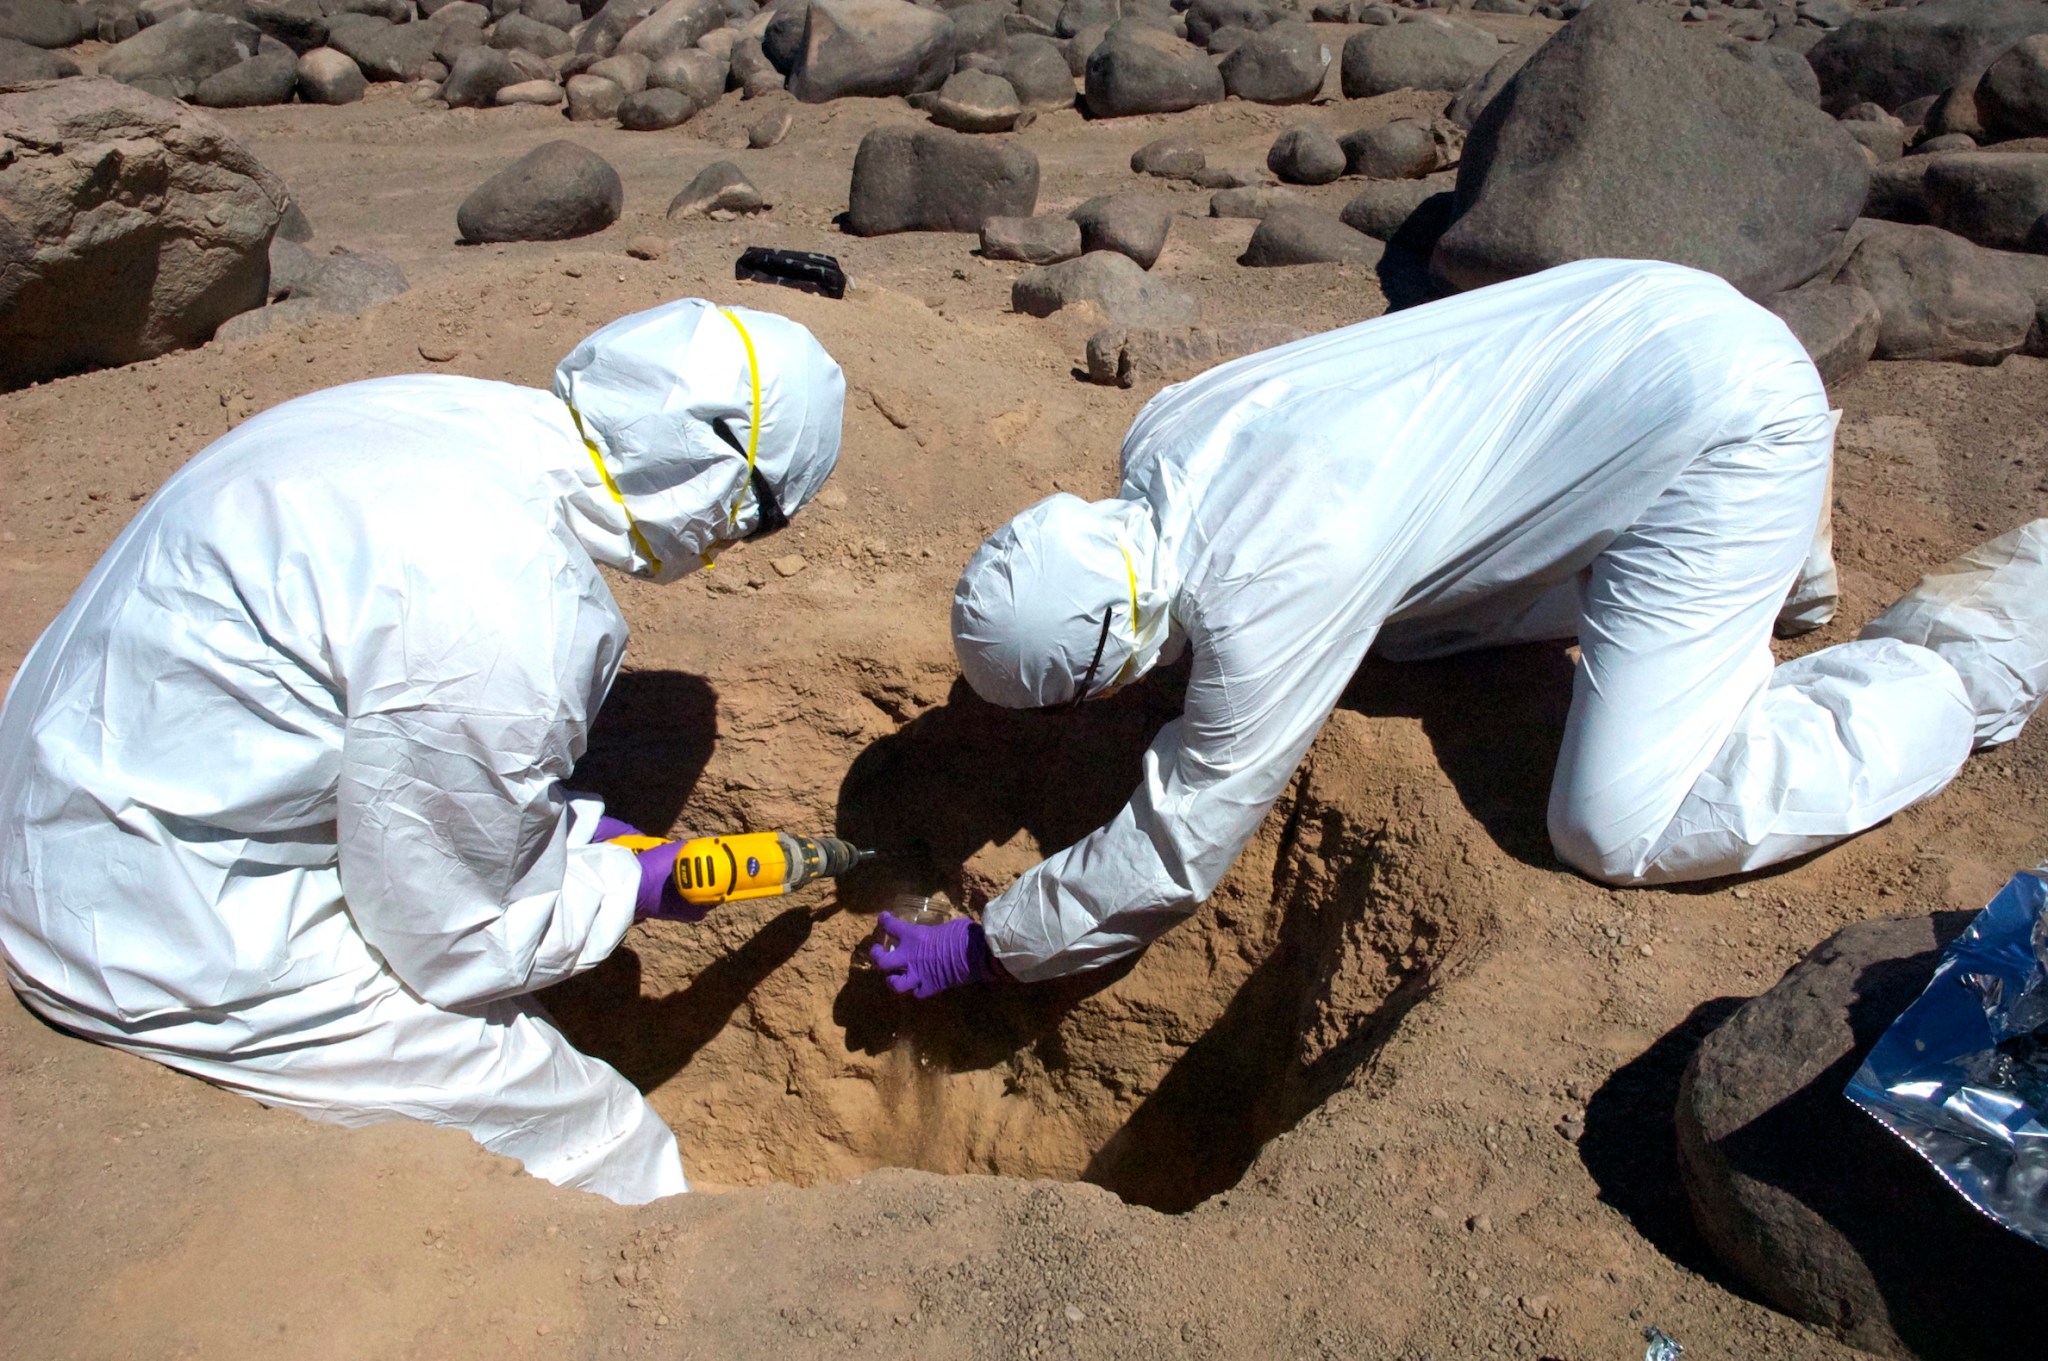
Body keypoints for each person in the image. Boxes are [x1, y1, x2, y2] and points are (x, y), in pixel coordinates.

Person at [866, 259, 2046, 997]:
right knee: (1409, 636)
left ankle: (1958, 663)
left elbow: (1178, 846)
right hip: (1636, 315)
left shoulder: (1275, 588)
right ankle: (1778, 560)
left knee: (1615, 823)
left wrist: (991, 944)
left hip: (1720, 422)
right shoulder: (1165, 434)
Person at [0, 299, 846, 1203]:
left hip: (61, 782)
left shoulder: (437, 414)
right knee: (598, 1134)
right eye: (755, 524)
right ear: (723, 489)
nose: (731, 548)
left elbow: (405, 735)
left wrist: (577, 840)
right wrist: (630, 884)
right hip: (151, 927)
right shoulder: (513, 595)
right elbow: (456, 942)